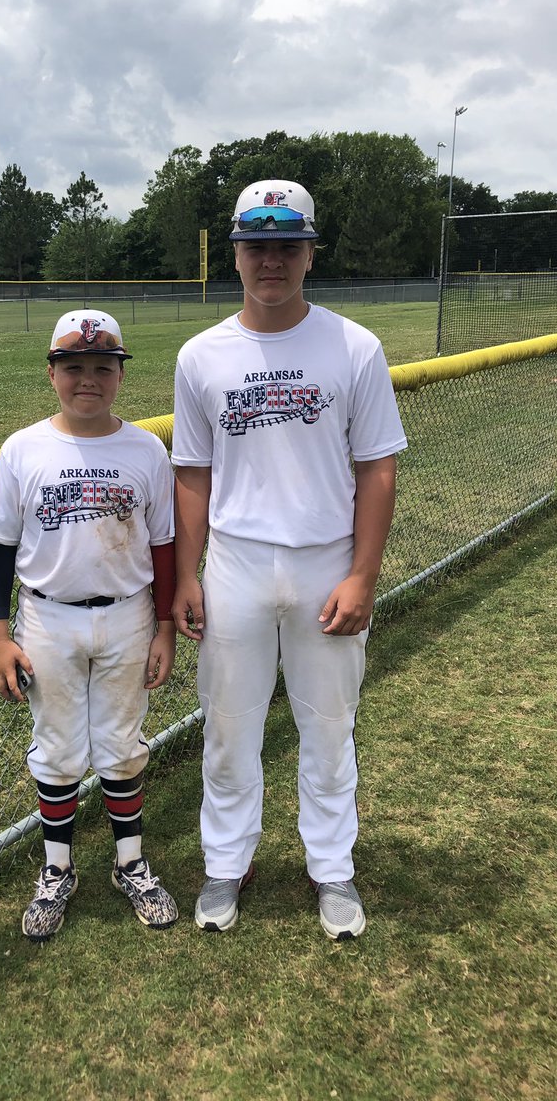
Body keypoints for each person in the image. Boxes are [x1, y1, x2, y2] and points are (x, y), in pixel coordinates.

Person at [171, 180, 407, 940]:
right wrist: (185, 574)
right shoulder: (201, 354)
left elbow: (376, 468)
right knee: (228, 726)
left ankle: (332, 869)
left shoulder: (354, 345)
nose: (270, 259)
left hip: (324, 560)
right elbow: (193, 475)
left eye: (286, 244)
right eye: (255, 245)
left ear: (310, 253)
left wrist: (363, 576)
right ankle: (225, 864)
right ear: (235, 255)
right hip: (236, 562)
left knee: (329, 726)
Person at [0, 309, 179, 942]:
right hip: (46, 617)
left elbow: (166, 546)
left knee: (121, 747)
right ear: (51, 374)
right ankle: (57, 868)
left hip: (127, 614)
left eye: (101, 367)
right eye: (73, 368)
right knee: (59, 750)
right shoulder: (24, 448)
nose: (87, 379)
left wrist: (166, 629)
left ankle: (129, 863)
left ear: (119, 375)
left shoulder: (146, 448)